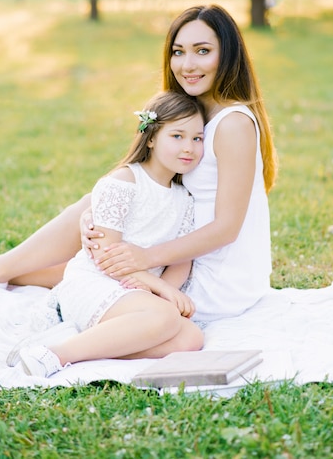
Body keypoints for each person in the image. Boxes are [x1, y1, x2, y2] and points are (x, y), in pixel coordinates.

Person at [0, 4, 277, 325]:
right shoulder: (194, 114)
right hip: (177, 243)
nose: (187, 65)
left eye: (202, 51)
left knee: (99, 270)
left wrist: (145, 257)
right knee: (95, 228)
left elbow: (227, 229)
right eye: (178, 52)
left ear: (227, 56)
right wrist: (100, 218)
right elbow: (150, 181)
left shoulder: (233, 124)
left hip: (214, 272)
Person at [19, 91, 205, 377]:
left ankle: (86, 345)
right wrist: (160, 290)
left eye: (197, 138)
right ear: (152, 138)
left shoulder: (185, 199)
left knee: (191, 339)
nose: (189, 147)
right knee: (164, 317)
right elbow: (105, 255)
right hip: (97, 283)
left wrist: (165, 291)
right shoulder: (123, 182)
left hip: (140, 295)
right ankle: (56, 354)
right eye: (177, 136)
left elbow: (181, 256)